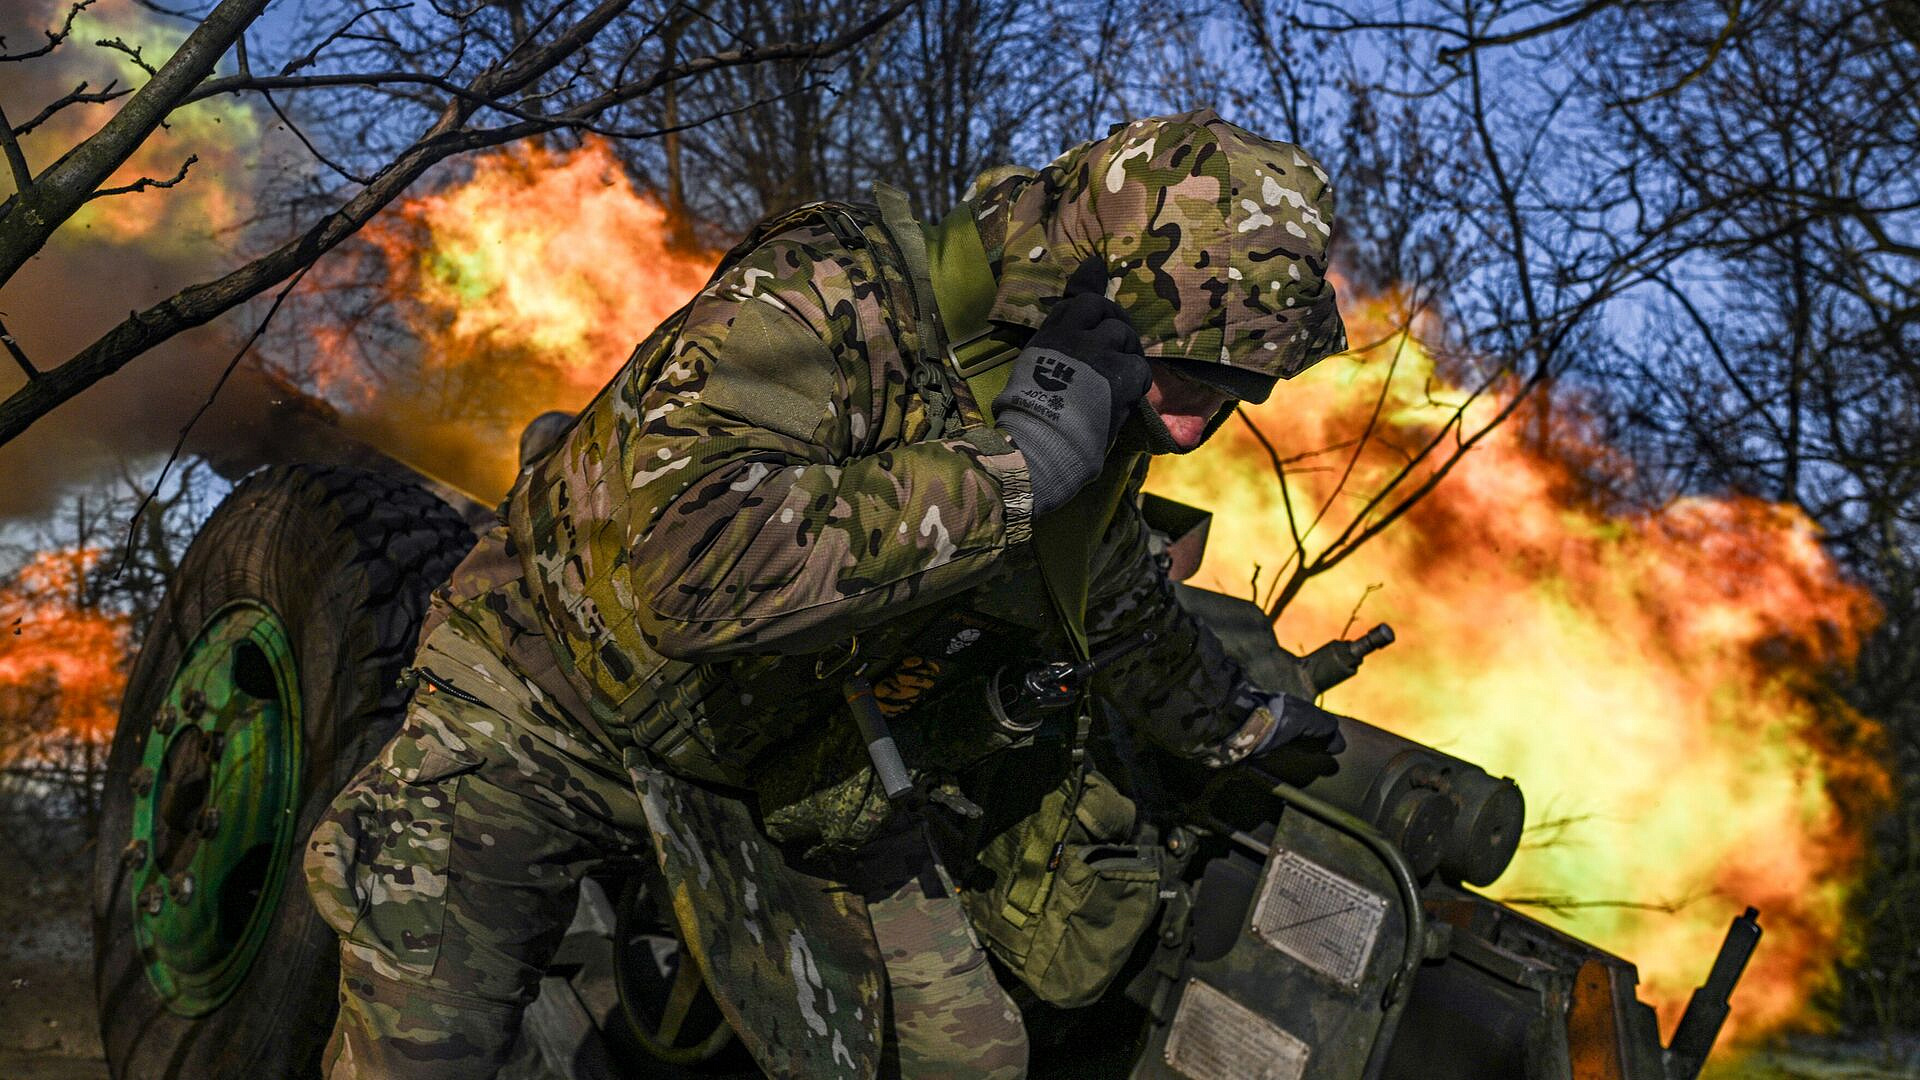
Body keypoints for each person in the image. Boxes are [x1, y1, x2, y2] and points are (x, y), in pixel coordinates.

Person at [304, 108, 1349, 1079]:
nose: (1187, 427)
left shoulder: (1082, 409)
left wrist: (1247, 729)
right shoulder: (832, 291)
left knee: (974, 1057)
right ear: (1087, 291)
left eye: (1236, 394)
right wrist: (1013, 472)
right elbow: (692, 569)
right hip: (552, 706)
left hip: (788, 770)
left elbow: (1121, 609)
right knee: (425, 1054)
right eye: (1183, 373)